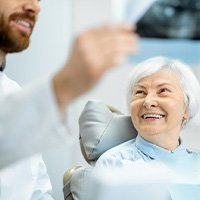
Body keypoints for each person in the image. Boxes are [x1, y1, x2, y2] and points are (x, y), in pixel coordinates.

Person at [0, 0, 138, 199]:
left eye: (39, 0)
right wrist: (63, 86)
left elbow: (37, 191)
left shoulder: (12, 90)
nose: (35, 7)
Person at [96, 56, 200, 198]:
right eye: (140, 92)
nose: (148, 101)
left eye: (163, 91)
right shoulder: (115, 163)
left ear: (186, 108)